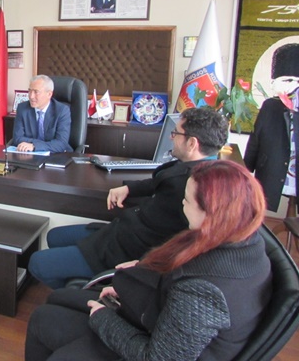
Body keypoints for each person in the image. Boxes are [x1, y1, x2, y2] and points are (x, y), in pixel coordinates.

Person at [25, 160, 271, 361]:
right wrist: (137, 280)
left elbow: (157, 357)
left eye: (186, 200)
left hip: (148, 344)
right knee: (57, 298)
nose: (182, 204)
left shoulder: (204, 292)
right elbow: (176, 272)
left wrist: (103, 319)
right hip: (156, 314)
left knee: (42, 319)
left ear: (211, 213)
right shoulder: (243, 239)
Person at [28, 107, 228, 288]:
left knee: (37, 263)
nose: (171, 137)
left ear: (192, 143)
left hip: (126, 249)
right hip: (122, 231)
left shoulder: (195, 188)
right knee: (54, 236)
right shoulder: (198, 168)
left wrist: (140, 266)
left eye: (175, 133)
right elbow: (159, 181)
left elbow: (177, 244)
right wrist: (130, 189)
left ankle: (83, 293)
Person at [245, 42, 299, 211]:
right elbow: (256, 138)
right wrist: (246, 167)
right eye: (287, 80)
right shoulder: (270, 105)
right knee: (260, 209)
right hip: (273, 168)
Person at [12, 75, 71, 153]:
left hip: (56, 155)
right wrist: (45, 144)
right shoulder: (22, 108)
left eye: (36, 92)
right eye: (29, 91)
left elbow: (61, 143)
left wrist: (34, 146)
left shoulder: (62, 111)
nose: (31, 96)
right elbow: (17, 138)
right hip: (29, 154)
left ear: (49, 94)